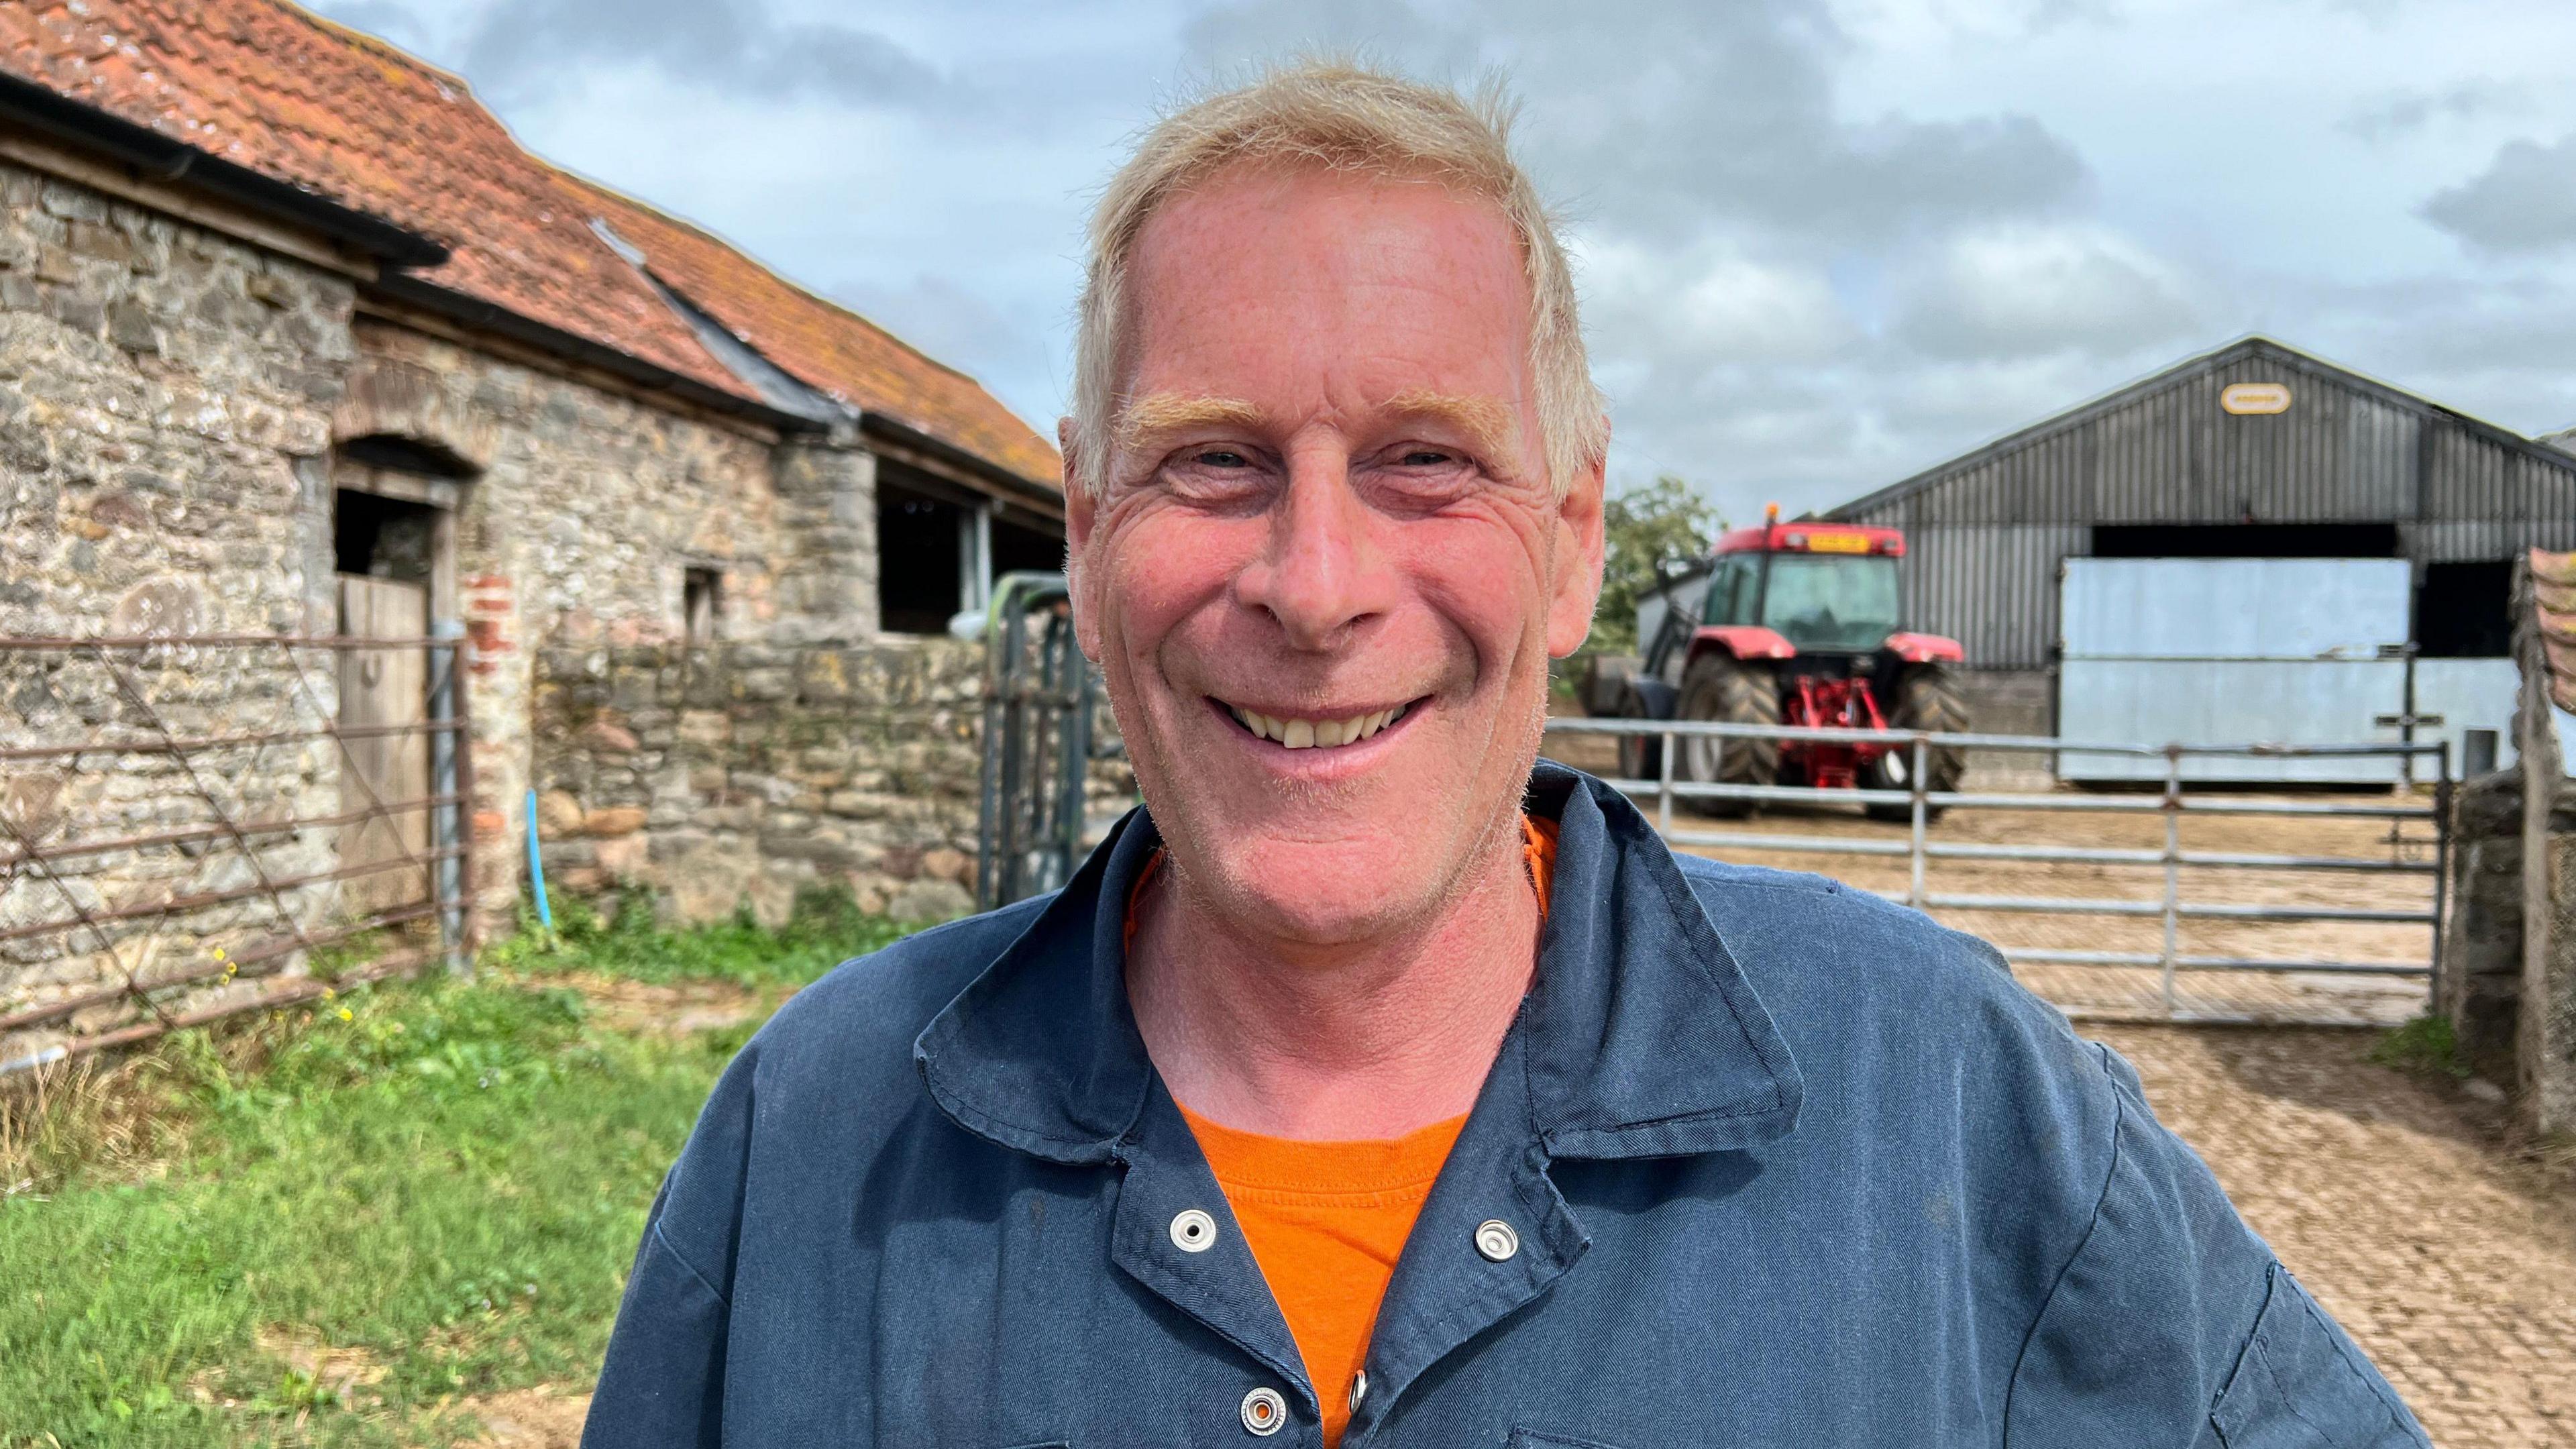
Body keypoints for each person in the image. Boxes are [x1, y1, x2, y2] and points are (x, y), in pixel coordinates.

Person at [582, 62, 2428, 1448]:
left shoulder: (1941, 1094)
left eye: (1426, 463)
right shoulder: (818, 1135)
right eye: (1212, 459)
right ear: (1084, 534)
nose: (1316, 587)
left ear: (1568, 538)